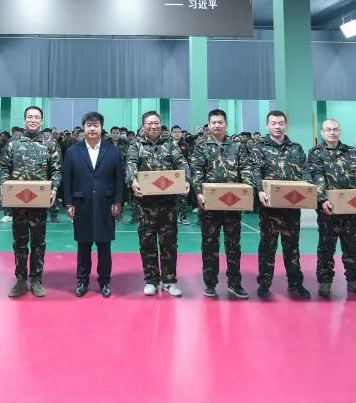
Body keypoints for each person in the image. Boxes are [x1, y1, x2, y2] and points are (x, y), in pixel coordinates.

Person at [306, 119, 356, 299]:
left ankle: (354, 280)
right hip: (328, 209)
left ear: (340, 131)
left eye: (335, 129)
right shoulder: (315, 152)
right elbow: (316, 175)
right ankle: (325, 281)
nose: (332, 132)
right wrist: (322, 200)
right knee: (326, 247)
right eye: (328, 130)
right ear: (322, 133)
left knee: (353, 246)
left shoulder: (351, 151)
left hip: (352, 208)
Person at [189, 108, 254, 299]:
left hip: (233, 204)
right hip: (209, 205)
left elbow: (246, 169)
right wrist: (198, 193)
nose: (217, 125)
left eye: (220, 122)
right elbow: (196, 171)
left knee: (234, 246)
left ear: (226, 124)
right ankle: (210, 283)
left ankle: (234, 283)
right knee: (209, 245)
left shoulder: (237, 146)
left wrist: (247, 190)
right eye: (213, 122)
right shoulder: (201, 146)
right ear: (209, 125)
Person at [0, 106, 62, 298]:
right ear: (25, 119)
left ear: (41, 121)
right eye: (29, 117)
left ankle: (36, 279)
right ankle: (20, 279)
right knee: (19, 242)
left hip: (39, 201)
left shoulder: (50, 144)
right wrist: (3, 187)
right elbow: (4, 168)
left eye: (36, 117)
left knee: (38, 242)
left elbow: (57, 170)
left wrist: (54, 188)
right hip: (18, 201)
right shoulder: (13, 143)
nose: (33, 120)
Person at [125, 111, 188, 297]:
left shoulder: (170, 144)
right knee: (147, 243)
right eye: (149, 123)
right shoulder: (136, 144)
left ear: (161, 125)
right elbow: (131, 164)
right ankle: (151, 280)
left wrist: (186, 180)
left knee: (169, 243)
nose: (153, 126)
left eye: (156, 123)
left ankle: (169, 281)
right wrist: (132, 181)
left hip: (167, 204)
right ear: (143, 126)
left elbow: (181, 162)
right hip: (144, 205)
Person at [61, 111, 123, 298]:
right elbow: (67, 179)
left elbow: (119, 179)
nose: (92, 128)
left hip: (106, 204)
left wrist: (118, 201)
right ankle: (82, 281)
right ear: (84, 128)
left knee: (104, 246)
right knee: (83, 245)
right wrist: (68, 203)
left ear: (101, 128)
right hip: (82, 204)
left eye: (96, 125)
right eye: (89, 125)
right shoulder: (73, 151)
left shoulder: (112, 151)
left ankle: (105, 281)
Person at [251, 110, 311, 300]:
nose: (277, 127)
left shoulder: (296, 148)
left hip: (292, 206)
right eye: (273, 123)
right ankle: (264, 283)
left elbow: (306, 171)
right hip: (269, 206)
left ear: (286, 125)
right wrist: (259, 190)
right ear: (267, 125)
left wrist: (308, 188)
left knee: (292, 246)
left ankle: (295, 284)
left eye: (281, 123)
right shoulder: (259, 148)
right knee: (267, 246)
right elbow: (255, 171)